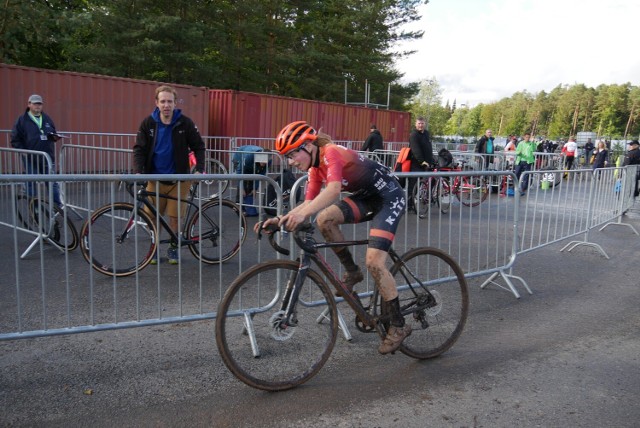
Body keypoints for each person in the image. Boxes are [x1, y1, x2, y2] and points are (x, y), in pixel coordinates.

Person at [257, 121, 410, 355]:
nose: (290, 161)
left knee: (375, 262)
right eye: (286, 157)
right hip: (367, 197)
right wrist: (282, 219)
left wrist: (302, 215)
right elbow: (308, 203)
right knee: (324, 219)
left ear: (308, 146)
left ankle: (398, 326)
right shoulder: (314, 168)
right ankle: (352, 271)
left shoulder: (331, 153)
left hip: (389, 197)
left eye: (291, 154)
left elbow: (333, 190)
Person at [133, 85, 205, 264]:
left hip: (179, 179)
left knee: (174, 217)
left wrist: (199, 169)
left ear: (175, 103)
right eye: (163, 101)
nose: (166, 105)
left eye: (170, 101)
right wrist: (138, 171)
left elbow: (199, 146)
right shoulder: (148, 123)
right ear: (156, 103)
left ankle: (173, 247)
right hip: (155, 178)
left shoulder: (185, 123)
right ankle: (154, 248)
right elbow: (139, 149)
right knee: (152, 216)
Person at [10, 94, 63, 205]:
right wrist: (23, 151)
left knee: (52, 183)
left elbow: (53, 132)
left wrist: (54, 137)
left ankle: (58, 207)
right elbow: (15, 138)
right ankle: (34, 208)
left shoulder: (47, 118)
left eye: (39, 104)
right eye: (35, 104)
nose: (37, 106)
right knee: (31, 183)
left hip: (47, 157)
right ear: (29, 104)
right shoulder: (22, 120)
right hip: (30, 157)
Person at [406, 116, 436, 213]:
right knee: (413, 185)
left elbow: (428, 147)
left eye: (422, 123)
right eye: (419, 123)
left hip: (427, 163)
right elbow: (416, 150)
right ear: (416, 124)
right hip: (416, 163)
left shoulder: (426, 134)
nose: (420, 125)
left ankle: (421, 201)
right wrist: (421, 161)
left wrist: (431, 159)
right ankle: (409, 205)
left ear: (425, 124)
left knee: (427, 183)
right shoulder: (414, 135)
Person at [231, 145, 268, 214]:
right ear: (259, 157)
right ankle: (238, 205)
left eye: (266, 162)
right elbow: (240, 171)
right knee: (244, 181)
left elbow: (260, 175)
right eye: (263, 161)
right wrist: (242, 188)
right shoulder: (249, 156)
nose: (264, 163)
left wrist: (255, 188)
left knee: (251, 183)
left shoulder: (268, 159)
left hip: (251, 162)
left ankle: (248, 205)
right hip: (239, 158)